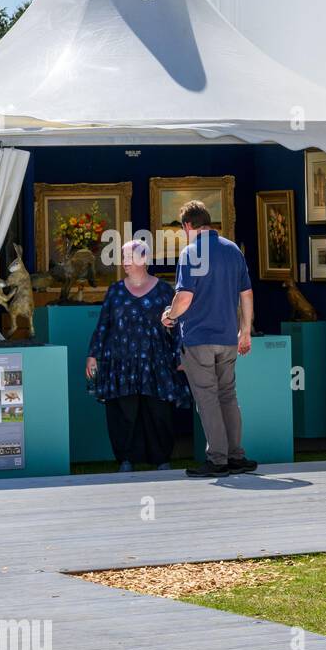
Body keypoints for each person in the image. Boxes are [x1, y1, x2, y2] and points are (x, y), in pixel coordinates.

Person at [162, 201, 256, 479]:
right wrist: (246, 331)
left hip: (199, 338)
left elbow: (184, 297)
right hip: (228, 337)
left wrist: (169, 315)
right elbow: (247, 294)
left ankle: (217, 459)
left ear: (187, 226)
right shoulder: (233, 250)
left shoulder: (190, 252)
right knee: (228, 395)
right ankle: (235, 456)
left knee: (208, 399)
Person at [85, 240, 190, 471]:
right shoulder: (115, 291)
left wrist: (180, 355)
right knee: (124, 413)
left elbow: (177, 325)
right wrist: (93, 355)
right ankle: (126, 459)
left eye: (129, 257)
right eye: (123, 258)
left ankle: (162, 459)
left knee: (159, 412)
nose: (124, 263)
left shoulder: (164, 290)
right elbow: (104, 324)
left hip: (157, 362)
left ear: (144, 259)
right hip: (121, 363)